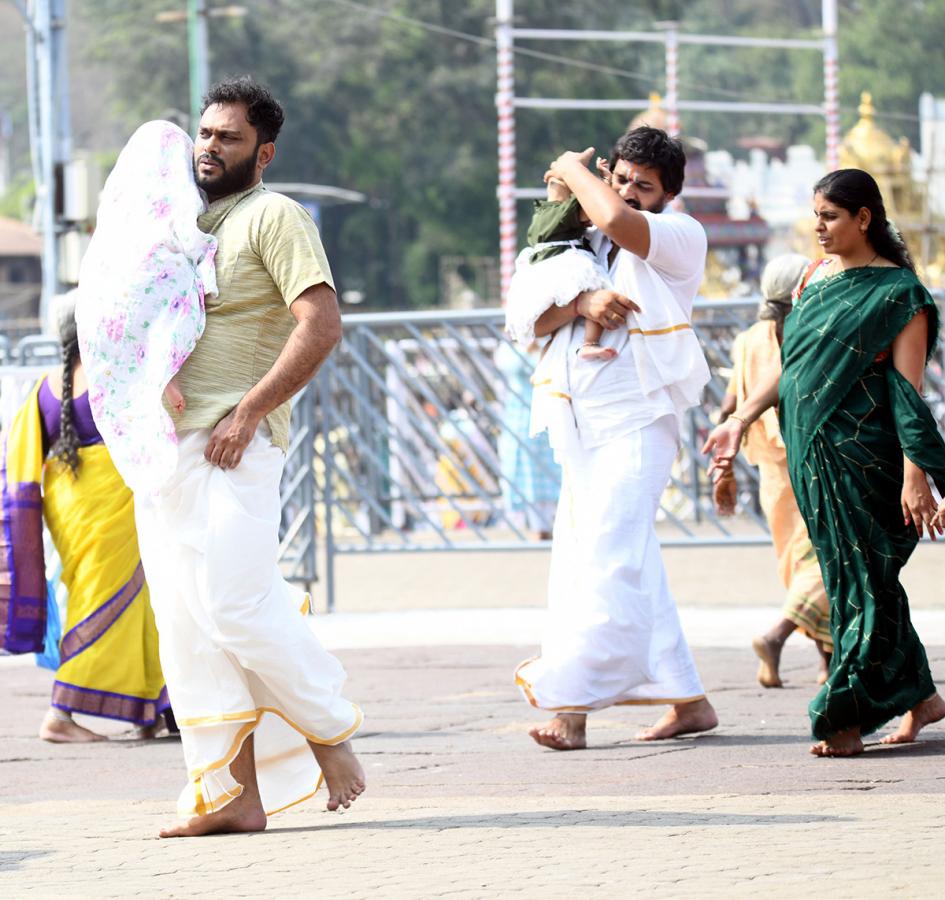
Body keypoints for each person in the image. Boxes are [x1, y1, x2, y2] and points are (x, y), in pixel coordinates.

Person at [128, 77, 364, 837]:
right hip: (166, 452)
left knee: (235, 603)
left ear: (263, 153)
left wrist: (249, 411)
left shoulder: (273, 215)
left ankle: (331, 735)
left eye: (227, 137)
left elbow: (320, 324)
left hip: (237, 447)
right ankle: (229, 794)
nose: (208, 147)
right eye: (202, 133)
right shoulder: (185, 230)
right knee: (186, 626)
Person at [704, 168, 945, 757]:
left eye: (831, 216)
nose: (819, 226)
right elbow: (790, 369)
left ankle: (841, 714)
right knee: (855, 582)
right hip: (810, 458)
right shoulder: (813, 280)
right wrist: (739, 419)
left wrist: (917, 474)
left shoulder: (900, 296)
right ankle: (922, 699)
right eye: (816, 215)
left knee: (865, 582)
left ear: (865, 218)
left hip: (866, 459)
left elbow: (908, 393)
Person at [506, 126, 719, 750]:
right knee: (610, 556)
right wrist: (582, 304)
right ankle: (689, 700)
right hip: (580, 422)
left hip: (639, 420)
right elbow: (531, 318)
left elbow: (622, 222)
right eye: (620, 178)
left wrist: (574, 170)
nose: (627, 192)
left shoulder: (679, 236)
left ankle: (571, 704)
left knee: (609, 557)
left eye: (642, 186)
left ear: (669, 194)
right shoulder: (584, 240)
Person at [0, 295, 169, 743]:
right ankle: (60, 713)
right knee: (118, 603)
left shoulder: (42, 387)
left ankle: (151, 709)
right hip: (114, 502)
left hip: (69, 507)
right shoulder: (114, 375)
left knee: (133, 602)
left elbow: (25, 465)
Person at [76, 120, 218, 496]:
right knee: (172, 289)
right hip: (150, 292)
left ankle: (157, 378)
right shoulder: (176, 202)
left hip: (109, 311)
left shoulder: (115, 216)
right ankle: (163, 374)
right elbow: (193, 242)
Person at [713, 254, 832, 688]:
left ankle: (826, 663)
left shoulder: (746, 340)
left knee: (797, 565)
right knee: (823, 560)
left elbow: (730, 407)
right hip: (809, 464)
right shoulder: (806, 332)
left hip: (769, 475)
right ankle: (777, 635)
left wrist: (723, 468)